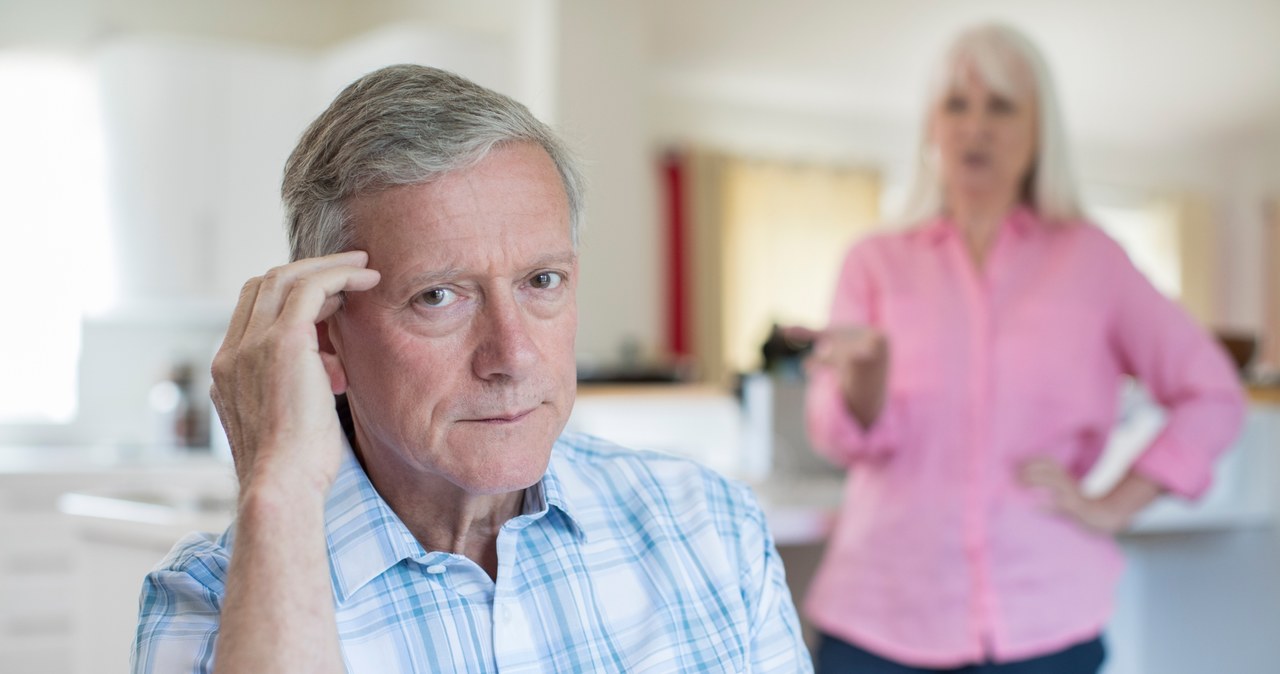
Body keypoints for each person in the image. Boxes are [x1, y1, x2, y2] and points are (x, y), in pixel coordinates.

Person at [131, 64, 812, 673]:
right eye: (437, 296)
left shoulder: (711, 525)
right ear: (324, 337)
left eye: (542, 280)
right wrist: (276, 487)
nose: (511, 356)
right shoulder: (214, 604)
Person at [792, 23, 1246, 673]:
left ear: (1038, 130)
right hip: (881, 612)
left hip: (1047, 617)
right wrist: (865, 384)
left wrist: (1112, 503)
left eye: (1001, 106)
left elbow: (1213, 395)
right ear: (930, 127)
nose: (976, 126)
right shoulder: (874, 263)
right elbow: (839, 437)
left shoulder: (1095, 261)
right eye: (957, 105)